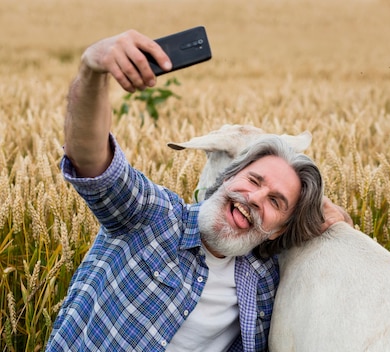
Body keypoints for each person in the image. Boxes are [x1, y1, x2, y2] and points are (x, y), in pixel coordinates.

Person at [46, 29, 351, 352]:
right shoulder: (153, 218)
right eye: (254, 180)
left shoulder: (265, 280)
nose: (254, 199)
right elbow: (89, 158)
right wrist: (92, 73)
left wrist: (335, 217)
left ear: (279, 231)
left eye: (275, 201)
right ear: (227, 178)